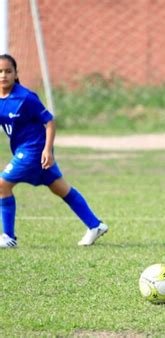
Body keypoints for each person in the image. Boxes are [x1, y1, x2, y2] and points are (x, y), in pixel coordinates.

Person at [0, 54, 108, 248]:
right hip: (26, 152)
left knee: (2, 185)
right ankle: (95, 225)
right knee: (60, 189)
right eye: (0, 71)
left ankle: (8, 237)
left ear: (16, 74)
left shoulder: (25, 97)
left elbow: (49, 121)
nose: (3, 75)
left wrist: (48, 150)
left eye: (8, 71)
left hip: (33, 151)